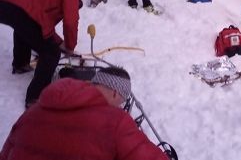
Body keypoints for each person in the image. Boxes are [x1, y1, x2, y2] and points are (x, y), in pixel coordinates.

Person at [0, 67, 170, 160]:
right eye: (122, 101)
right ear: (115, 93)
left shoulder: (32, 113)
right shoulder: (115, 121)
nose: (120, 106)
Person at [0, 0, 81, 108]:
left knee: (24, 28)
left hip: (6, 2)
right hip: (18, 6)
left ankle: (21, 64)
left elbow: (39, 27)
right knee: (51, 53)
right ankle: (35, 96)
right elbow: (70, 23)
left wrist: (61, 43)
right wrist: (70, 47)